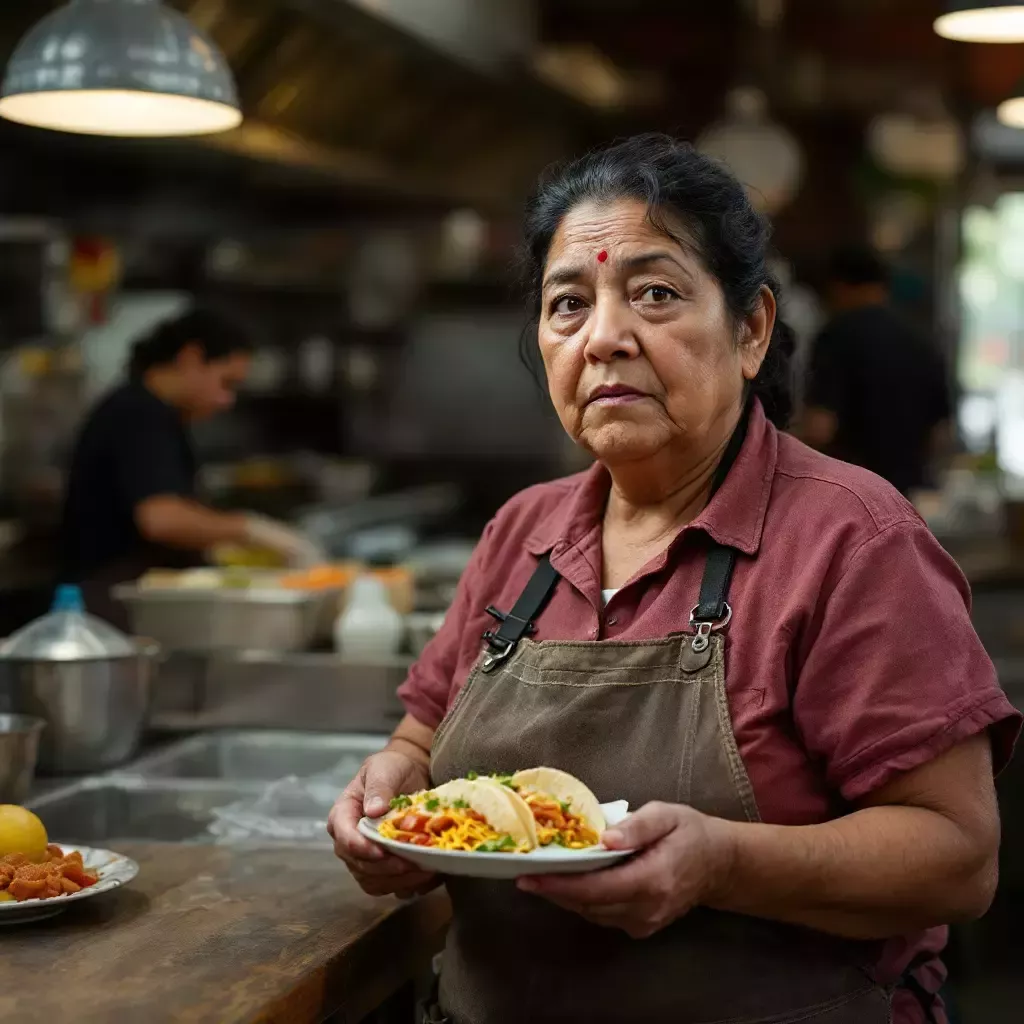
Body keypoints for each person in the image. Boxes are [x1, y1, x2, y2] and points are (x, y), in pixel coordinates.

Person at [328, 135, 1020, 1024]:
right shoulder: (523, 531)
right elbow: (419, 744)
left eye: (655, 293)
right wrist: (385, 795)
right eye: (567, 303)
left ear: (751, 331)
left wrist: (722, 863)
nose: (606, 337)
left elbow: (958, 859)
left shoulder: (853, 540)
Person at [60, 306, 320, 621]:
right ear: (191, 358)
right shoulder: (139, 416)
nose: (228, 400)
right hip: (112, 608)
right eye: (227, 383)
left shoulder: (157, 416)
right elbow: (162, 518)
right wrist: (249, 528)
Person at [799, 244, 953, 495]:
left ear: (838, 286)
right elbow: (940, 434)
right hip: (909, 496)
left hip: (851, 495)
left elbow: (820, 427)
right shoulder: (921, 341)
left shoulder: (838, 335)